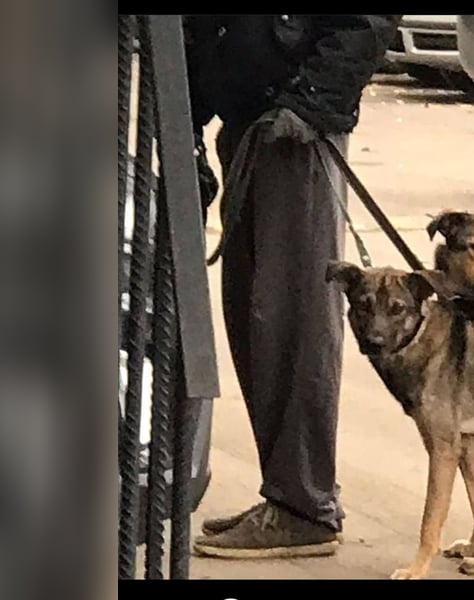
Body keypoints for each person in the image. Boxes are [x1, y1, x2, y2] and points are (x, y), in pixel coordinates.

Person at [183, 15, 401, 559]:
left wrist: (314, 100)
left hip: (295, 124)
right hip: (249, 120)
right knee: (251, 315)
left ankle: (305, 504)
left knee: (291, 313)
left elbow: (367, 20)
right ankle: (287, 493)